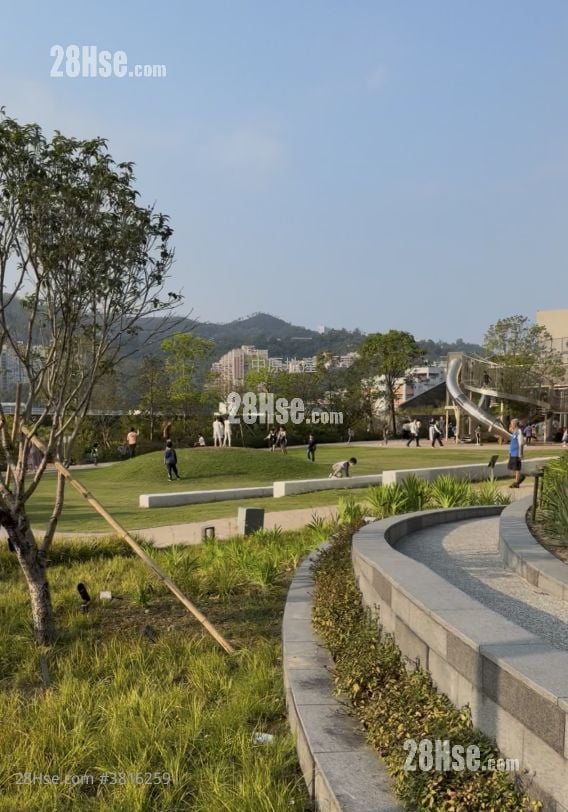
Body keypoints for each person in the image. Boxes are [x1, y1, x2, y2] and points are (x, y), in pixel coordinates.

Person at [508, 418, 525, 488]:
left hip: (517, 453)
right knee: (512, 468)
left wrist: (521, 453)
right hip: (512, 453)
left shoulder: (519, 431)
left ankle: (516, 483)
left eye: (512, 423)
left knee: (517, 468)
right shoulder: (514, 432)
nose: (511, 425)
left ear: (515, 424)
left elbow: (521, 443)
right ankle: (521, 477)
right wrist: (509, 452)